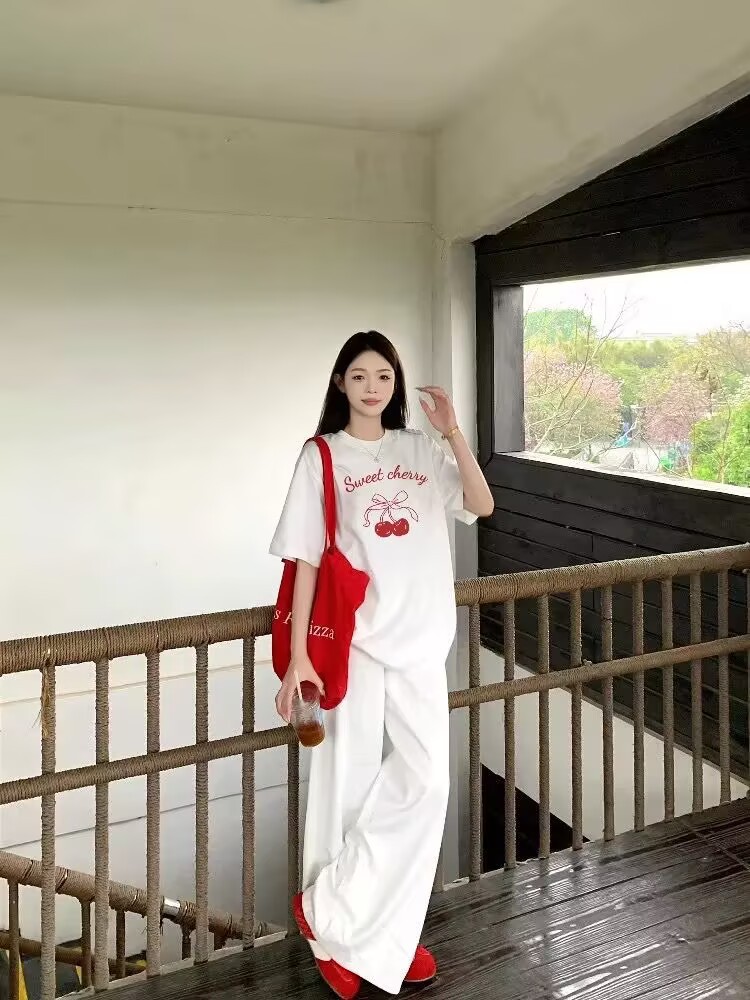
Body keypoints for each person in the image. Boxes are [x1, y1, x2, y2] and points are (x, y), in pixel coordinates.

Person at [269, 331, 494, 998]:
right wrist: (299, 657)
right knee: (346, 788)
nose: (373, 387)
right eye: (360, 375)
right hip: (358, 647)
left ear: (395, 385)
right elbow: (306, 560)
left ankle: (344, 917)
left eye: (384, 376)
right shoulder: (322, 456)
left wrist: (452, 432)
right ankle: (347, 939)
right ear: (341, 383)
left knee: (427, 785)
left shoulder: (420, 449)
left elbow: (480, 504)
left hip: (423, 640)